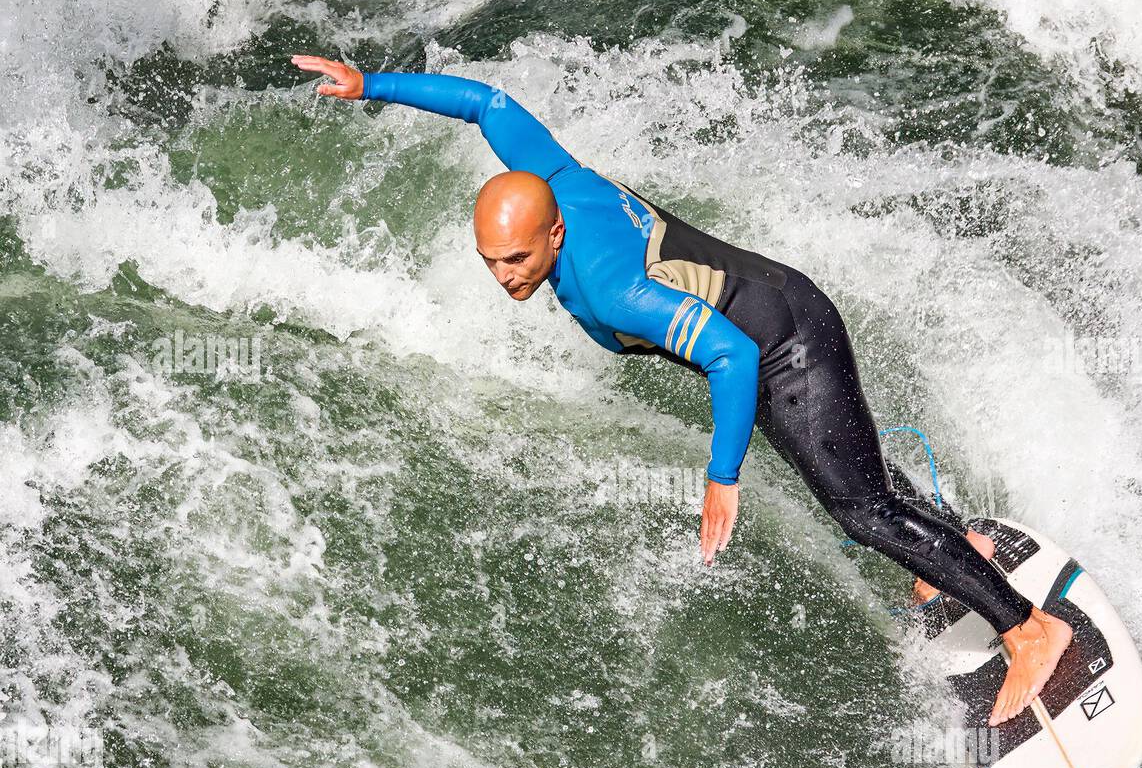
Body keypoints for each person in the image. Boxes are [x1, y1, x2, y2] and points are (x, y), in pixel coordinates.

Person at [291, 56, 1073, 726]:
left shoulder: (606, 287)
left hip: (782, 348)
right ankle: (951, 546)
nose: (506, 278)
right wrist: (370, 86)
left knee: (859, 510)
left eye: (519, 259)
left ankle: (1028, 631)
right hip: (781, 302)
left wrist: (721, 479)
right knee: (850, 477)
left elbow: (729, 355)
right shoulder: (553, 176)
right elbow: (485, 104)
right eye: (491, 261)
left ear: (554, 234)